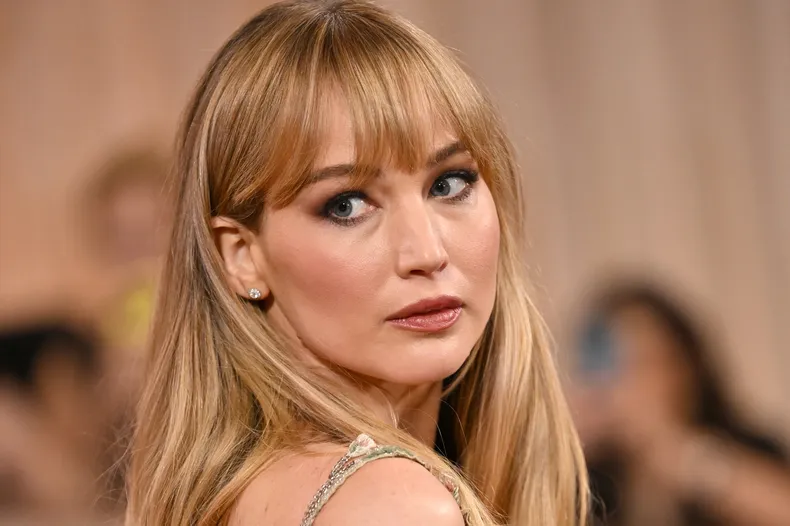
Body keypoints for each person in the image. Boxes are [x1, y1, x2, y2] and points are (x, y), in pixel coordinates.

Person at [125, 1, 588, 525]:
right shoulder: (396, 507)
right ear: (242, 256)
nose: (427, 253)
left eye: (448, 183)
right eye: (346, 205)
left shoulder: (243, 493)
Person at [570, 282, 790, 526]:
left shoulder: (742, 445)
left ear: (687, 369)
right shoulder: (595, 475)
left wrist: (684, 456)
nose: (627, 385)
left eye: (644, 364)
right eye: (612, 368)